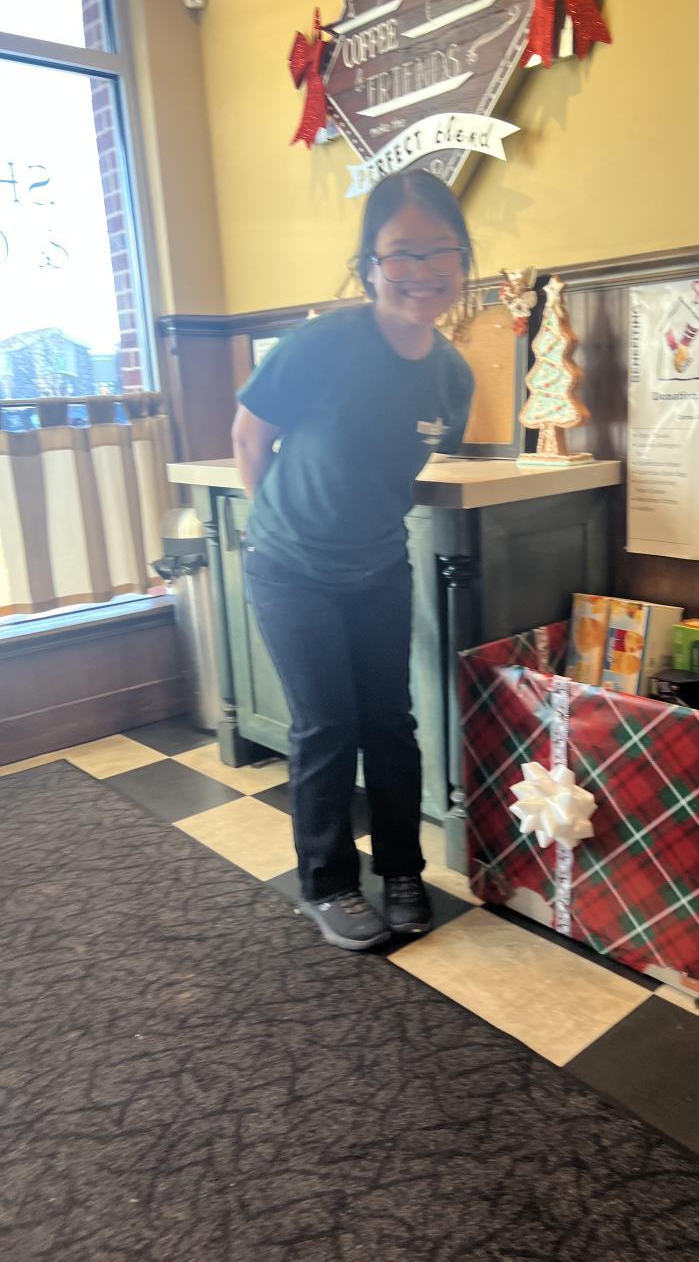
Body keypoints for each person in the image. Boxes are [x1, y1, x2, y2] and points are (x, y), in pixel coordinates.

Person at [231, 170, 474, 952]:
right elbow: (249, 438)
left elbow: (398, 461)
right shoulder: (321, 345)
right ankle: (328, 882)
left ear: (463, 261)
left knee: (391, 725)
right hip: (291, 569)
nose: (422, 270)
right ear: (369, 263)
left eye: (441, 250)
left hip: (378, 567)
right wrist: (280, 528)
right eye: (402, 252)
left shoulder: (453, 375)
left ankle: (402, 870)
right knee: (328, 726)